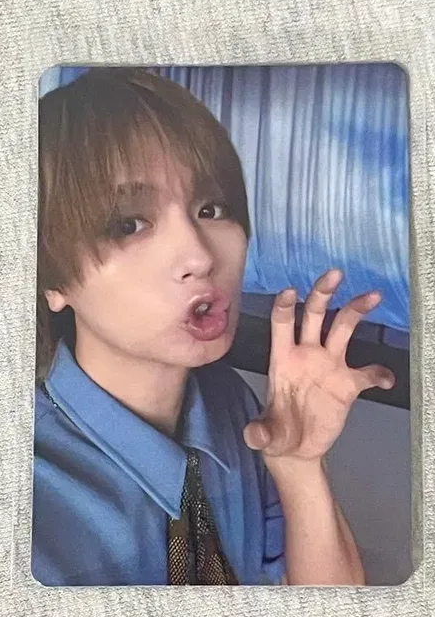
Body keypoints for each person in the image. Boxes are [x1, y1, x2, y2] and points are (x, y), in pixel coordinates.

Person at [32, 67, 395, 586]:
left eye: (212, 208)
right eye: (129, 224)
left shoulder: (232, 408)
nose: (200, 257)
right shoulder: (24, 502)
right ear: (52, 278)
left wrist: (298, 467)